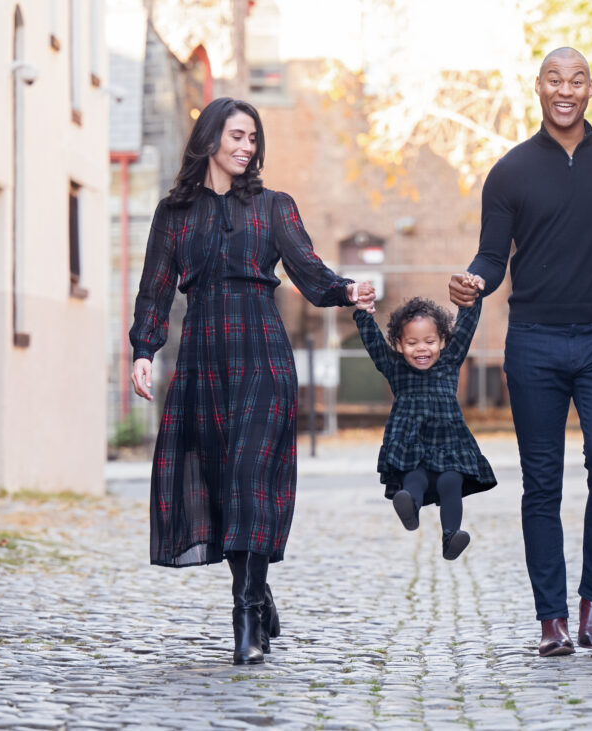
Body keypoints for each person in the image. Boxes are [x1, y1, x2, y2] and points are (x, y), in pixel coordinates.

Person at [129, 97, 376, 665]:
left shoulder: (274, 207)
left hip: (262, 353)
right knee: (221, 482)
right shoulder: (174, 214)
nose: (246, 147)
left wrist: (346, 290)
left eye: (253, 139)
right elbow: (156, 288)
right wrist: (144, 350)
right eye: (237, 136)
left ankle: (245, 615)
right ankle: (259, 594)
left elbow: (309, 270)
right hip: (203, 356)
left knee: (248, 478)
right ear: (210, 138)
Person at [449, 47, 592, 657]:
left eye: (576, 80)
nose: (564, 89)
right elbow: (493, 256)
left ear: (590, 90)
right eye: (554, 79)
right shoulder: (511, 172)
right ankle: (552, 619)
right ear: (538, 88)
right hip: (534, 344)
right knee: (541, 484)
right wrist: (473, 279)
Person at [352, 282, 496, 560]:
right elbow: (373, 342)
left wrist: (472, 299)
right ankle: (410, 507)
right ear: (399, 345)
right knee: (414, 477)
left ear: (442, 341)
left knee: (451, 481)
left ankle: (451, 536)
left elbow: (465, 329)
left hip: (447, 440)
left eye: (430, 342)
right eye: (412, 342)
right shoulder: (395, 366)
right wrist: (362, 313)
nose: (422, 349)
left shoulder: (450, 360)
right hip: (411, 441)